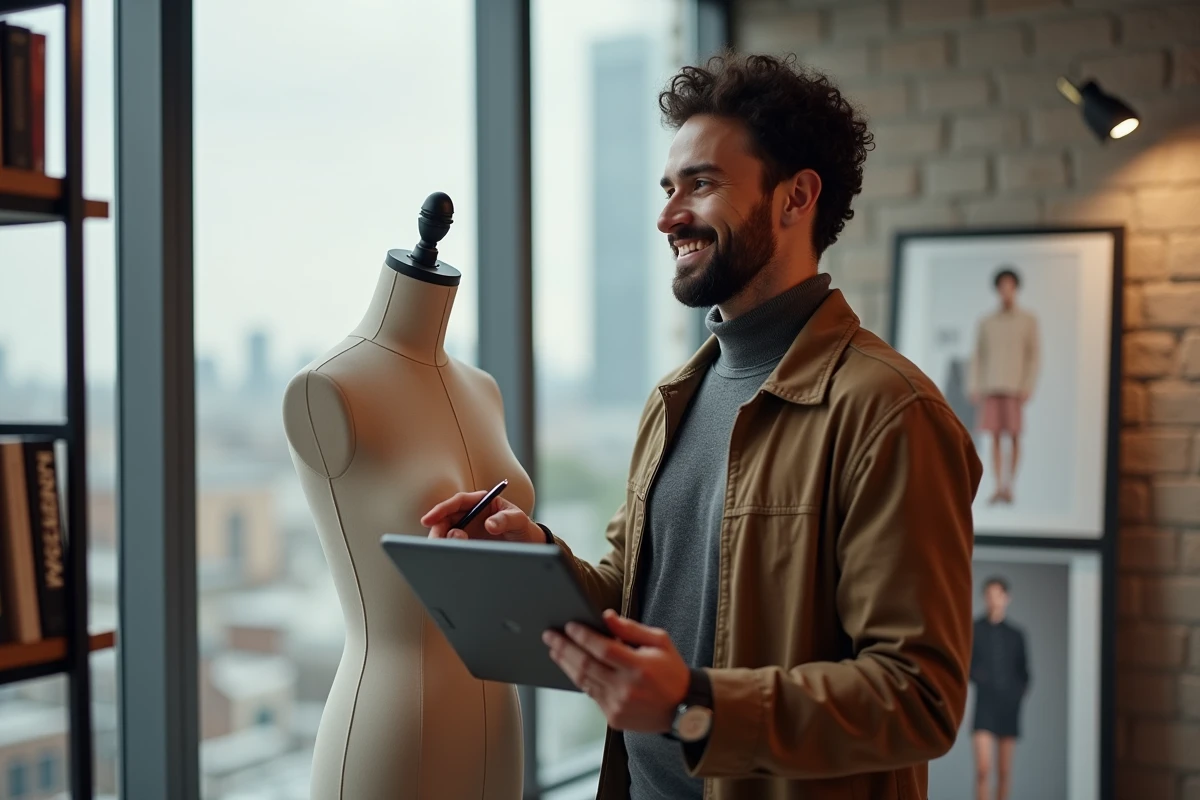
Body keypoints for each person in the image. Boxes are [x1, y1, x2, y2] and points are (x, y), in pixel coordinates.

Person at [421, 50, 982, 800]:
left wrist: (695, 705)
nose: (668, 216)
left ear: (796, 197)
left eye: (703, 184)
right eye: (668, 188)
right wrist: (537, 558)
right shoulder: (674, 398)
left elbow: (919, 697)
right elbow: (632, 599)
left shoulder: (889, 412)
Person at [968, 266, 1040, 505]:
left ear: (1015, 288)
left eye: (1010, 286)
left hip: (1014, 387)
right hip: (991, 385)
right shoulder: (986, 322)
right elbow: (978, 355)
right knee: (995, 438)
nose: (1006, 290)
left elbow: (1033, 355)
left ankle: (1011, 486)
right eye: (1002, 286)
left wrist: (1028, 384)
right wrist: (974, 385)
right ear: (997, 289)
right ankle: (998, 486)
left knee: (1015, 436)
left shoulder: (1028, 320)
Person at [970, 576, 1030, 800]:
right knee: (983, 769)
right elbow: (967, 665)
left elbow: (1024, 672)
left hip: (1008, 707)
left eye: (998, 595)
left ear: (1007, 598)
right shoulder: (974, 629)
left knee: (1004, 771)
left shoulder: (1016, 634)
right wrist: (981, 678)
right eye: (989, 595)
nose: (993, 600)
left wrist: (1016, 695)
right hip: (984, 705)